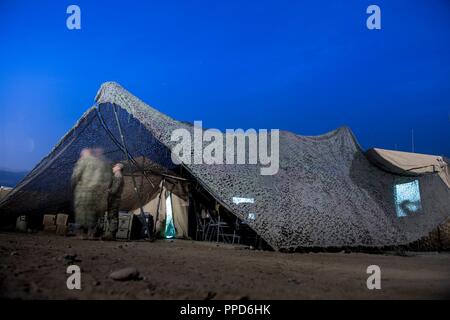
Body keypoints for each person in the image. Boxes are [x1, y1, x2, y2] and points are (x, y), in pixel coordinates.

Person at [71, 148, 112, 239]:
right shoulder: (103, 163)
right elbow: (108, 179)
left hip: (83, 191)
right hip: (97, 192)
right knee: (94, 213)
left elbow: (76, 175)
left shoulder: (84, 161)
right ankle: (91, 233)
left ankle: (82, 234)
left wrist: (73, 187)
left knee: (82, 211)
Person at [104, 163, 125, 240]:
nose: (113, 167)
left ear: (118, 168)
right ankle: (111, 233)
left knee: (113, 216)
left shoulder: (118, 176)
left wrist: (107, 190)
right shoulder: (116, 176)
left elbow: (114, 190)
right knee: (111, 215)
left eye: (115, 166)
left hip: (114, 199)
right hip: (112, 199)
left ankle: (112, 234)